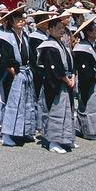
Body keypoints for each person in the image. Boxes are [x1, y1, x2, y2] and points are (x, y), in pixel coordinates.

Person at [0, 6, 35, 147]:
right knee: (11, 103)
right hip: (12, 74)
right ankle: (6, 133)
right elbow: (5, 60)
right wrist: (16, 74)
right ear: (11, 22)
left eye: (23, 19)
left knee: (25, 102)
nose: (22, 22)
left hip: (24, 72)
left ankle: (22, 130)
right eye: (18, 20)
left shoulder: (24, 35)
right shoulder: (6, 37)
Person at [36, 12, 76, 153]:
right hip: (56, 83)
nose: (61, 30)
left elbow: (70, 62)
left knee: (67, 111)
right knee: (56, 111)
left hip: (66, 82)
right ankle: (53, 141)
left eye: (62, 27)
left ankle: (66, 138)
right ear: (51, 29)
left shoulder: (62, 43)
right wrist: (66, 79)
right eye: (58, 28)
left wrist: (73, 76)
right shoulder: (49, 46)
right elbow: (54, 67)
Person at [72, 16, 96, 142]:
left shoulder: (95, 45)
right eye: (95, 30)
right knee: (89, 104)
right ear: (88, 32)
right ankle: (89, 131)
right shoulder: (81, 47)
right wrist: (95, 76)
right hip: (88, 79)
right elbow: (84, 67)